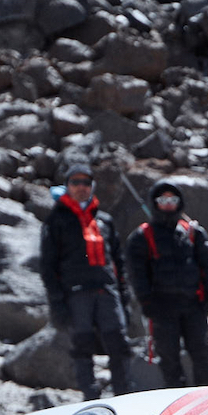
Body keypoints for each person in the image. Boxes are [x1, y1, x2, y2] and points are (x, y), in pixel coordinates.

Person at [39, 163, 132, 399]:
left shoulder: (104, 220)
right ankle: (90, 397)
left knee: (119, 343)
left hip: (106, 290)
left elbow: (119, 262)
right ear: (67, 186)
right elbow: (48, 266)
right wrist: (57, 302)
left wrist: (124, 296)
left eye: (86, 183)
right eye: (75, 182)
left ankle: (124, 394)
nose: (81, 187)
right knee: (81, 346)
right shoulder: (56, 220)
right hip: (75, 293)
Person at [125, 179, 208, 388]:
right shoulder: (142, 237)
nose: (168, 204)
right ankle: (177, 400)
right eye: (163, 199)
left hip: (193, 304)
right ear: (155, 202)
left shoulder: (194, 233)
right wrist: (147, 302)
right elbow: (136, 274)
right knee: (168, 358)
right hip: (162, 308)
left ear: (180, 202)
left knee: (203, 354)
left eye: (173, 199)